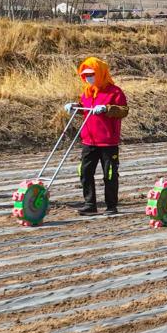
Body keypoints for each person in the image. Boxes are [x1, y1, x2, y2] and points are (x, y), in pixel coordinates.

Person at [67, 57, 128, 216]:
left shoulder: (115, 92)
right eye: (85, 75)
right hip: (89, 140)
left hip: (108, 142)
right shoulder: (87, 93)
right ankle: (90, 204)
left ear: (100, 73)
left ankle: (111, 206)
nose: (88, 78)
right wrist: (76, 108)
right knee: (85, 172)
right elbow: (86, 110)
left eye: (91, 74)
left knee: (109, 174)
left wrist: (107, 108)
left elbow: (123, 110)